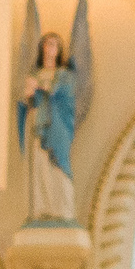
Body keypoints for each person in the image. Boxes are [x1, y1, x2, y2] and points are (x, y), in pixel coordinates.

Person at [20, 31, 80, 224]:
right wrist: (30, 93)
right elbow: (31, 101)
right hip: (40, 123)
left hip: (58, 125)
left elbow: (60, 92)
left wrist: (40, 86)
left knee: (59, 163)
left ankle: (63, 210)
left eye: (54, 44)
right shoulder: (36, 74)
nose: (50, 48)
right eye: (47, 44)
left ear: (59, 50)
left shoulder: (64, 75)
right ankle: (42, 210)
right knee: (40, 164)